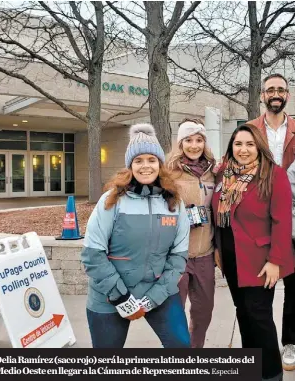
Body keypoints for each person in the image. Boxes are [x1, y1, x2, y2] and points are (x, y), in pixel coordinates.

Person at [81, 123, 191, 348]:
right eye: (138, 161)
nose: (145, 166)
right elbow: (93, 254)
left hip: (157, 291)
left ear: (160, 164)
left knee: (181, 346)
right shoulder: (112, 201)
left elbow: (178, 257)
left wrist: (154, 298)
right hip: (109, 297)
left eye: (151, 160)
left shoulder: (174, 203)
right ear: (130, 165)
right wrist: (121, 298)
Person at [212, 124, 294, 381]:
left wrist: (275, 261)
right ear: (231, 147)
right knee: (242, 311)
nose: (244, 150)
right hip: (231, 256)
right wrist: (217, 248)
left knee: (258, 316)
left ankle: (271, 374)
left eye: (250, 144)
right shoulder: (225, 174)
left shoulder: (273, 175)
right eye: (238, 144)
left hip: (259, 260)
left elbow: (282, 221)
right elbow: (220, 216)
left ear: (259, 146)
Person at [249, 73, 295, 371]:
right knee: (260, 286)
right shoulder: (250, 129)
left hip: (293, 215)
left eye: (281, 89)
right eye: (270, 90)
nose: (275, 94)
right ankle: (262, 345)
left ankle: (290, 342)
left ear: (287, 95)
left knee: (294, 285)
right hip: (260, 219)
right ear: (262, 96)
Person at [167, 118, 216, 348]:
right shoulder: (169, 173)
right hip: (178, 255)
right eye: (188, 140)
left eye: (199, 140)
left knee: (203, 312)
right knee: (174, 313)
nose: (194, 145)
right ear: (180, 143)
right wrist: (181, 216)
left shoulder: (212, 172)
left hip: (205, 253)